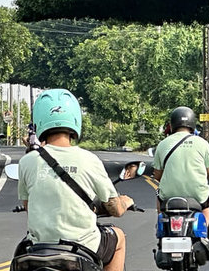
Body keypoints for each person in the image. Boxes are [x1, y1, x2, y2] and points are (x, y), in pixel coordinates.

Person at [17, 89, 135, 271]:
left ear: (38, 121)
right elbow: (115, 209)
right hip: (84, 246)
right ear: (75, 120)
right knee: (118, 237)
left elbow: (28, 206)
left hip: (38, 247)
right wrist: (126, 201)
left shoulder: (27, 161)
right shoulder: (89, 159)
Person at [153, 106, 209, 224]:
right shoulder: (202, 143)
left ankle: (162, 226)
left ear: (173, 124)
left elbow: (157, 176)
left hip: (168, 196)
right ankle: (204, 228)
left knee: (159, 194)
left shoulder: (163, 144)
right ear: (192, 123)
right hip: (197, 196)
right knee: (208, 197)